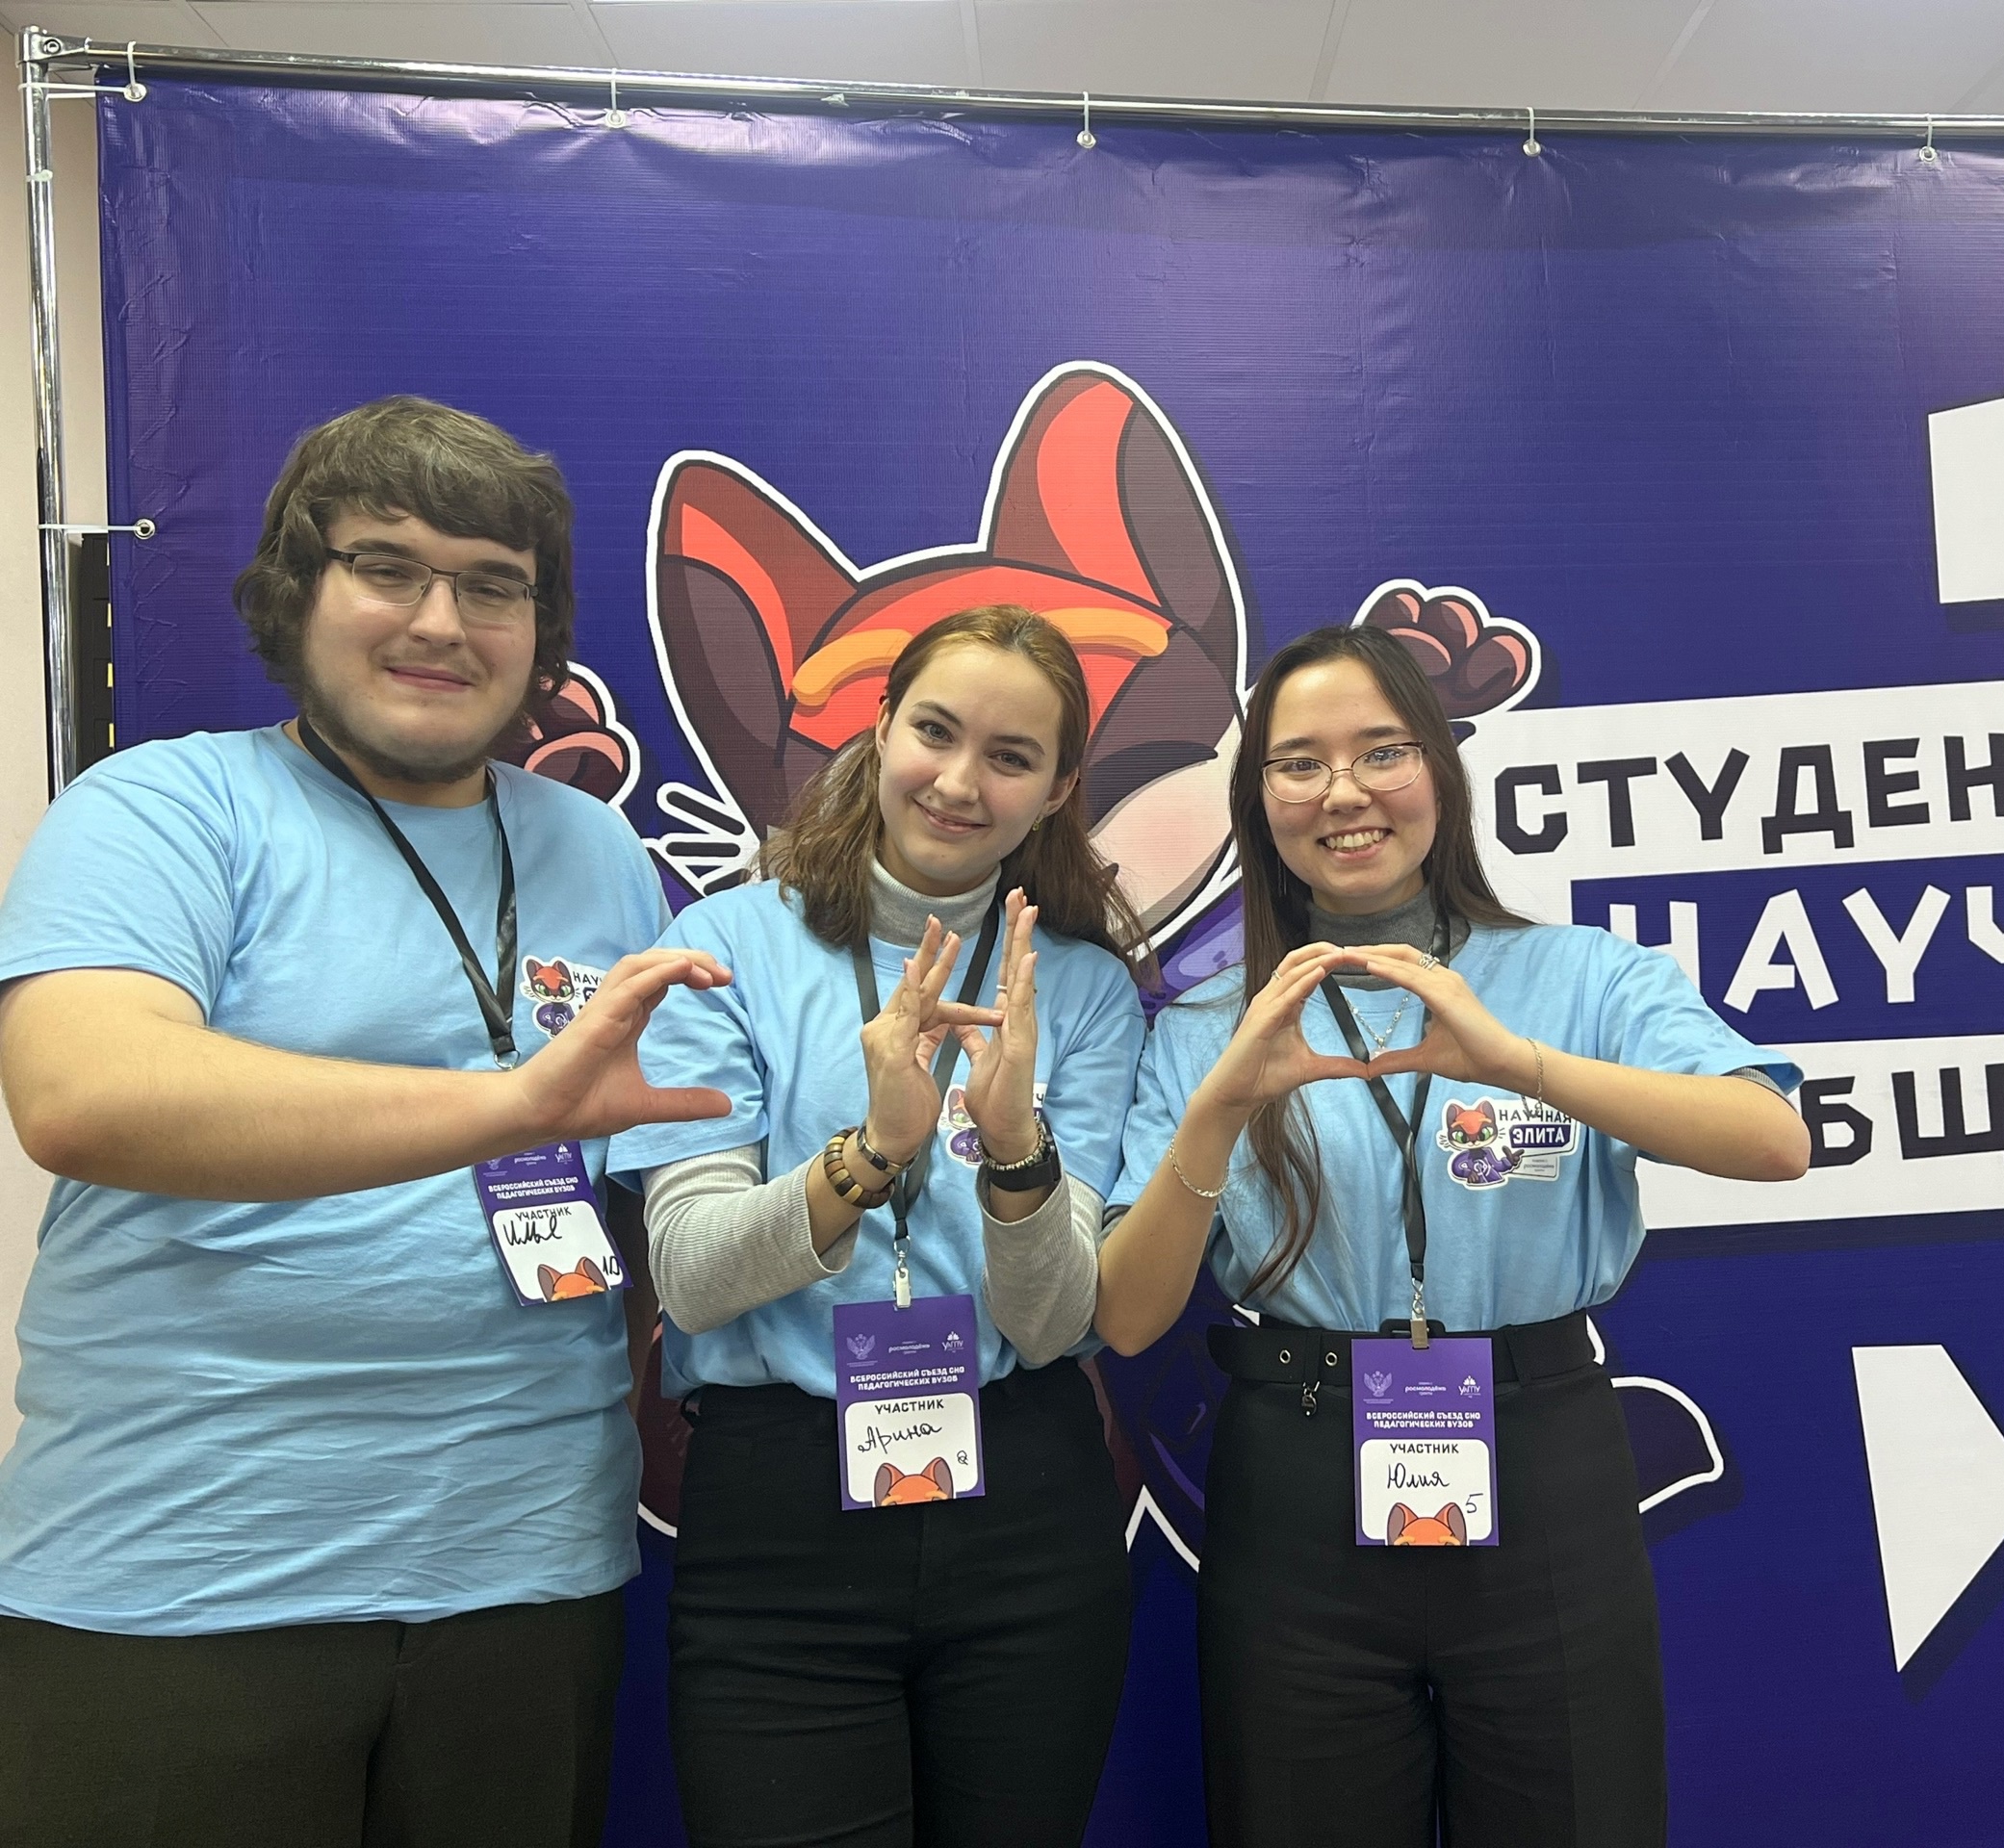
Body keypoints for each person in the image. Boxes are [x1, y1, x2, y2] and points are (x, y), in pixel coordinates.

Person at [0, 396, 732, 1848]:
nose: (441, 623)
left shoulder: (596, 848)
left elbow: (647, 1177)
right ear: (297, 590)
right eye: (387, 566)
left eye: (493, 586)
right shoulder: (164, 808)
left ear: (540, 629)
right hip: (183, 1576)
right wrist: (508, 1106)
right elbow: (84, 1097)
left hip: (528, 1577)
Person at [1095, 622, 1811, 1848]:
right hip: (1298, 1478)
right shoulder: (1207, 1023)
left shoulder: (1583, 975)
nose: (1343, 793)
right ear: (1257, 799)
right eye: (1298, 764)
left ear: (1439, 768)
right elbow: (1125, 1317)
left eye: (1381, 751)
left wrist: (1519, 1063)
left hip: (1544, 1464)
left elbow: (1772, 1140)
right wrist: (1217, 1109)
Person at [609, 603, 1148, 1848]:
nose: (959, 783)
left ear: (1059, 789)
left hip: (1027, 1509)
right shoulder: (725, 949)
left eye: (1010, 758)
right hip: (779, 1515)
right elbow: (689, 1278)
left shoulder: (1079, 991)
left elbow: (1052, 1321)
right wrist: (871, 1156)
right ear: (881, 727)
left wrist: (1014, 1155)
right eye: (935, 733)